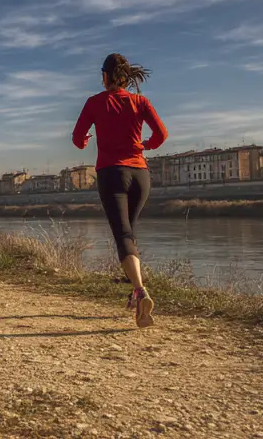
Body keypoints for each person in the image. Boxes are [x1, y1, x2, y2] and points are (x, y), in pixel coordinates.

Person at [72, 53, 168, 328]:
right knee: (130, 233)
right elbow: (161, 134)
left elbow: (78, 139)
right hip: (141, 175)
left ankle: (140, 291)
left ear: (104, 76)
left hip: (112, 174)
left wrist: (87, 141)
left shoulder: (94, 103)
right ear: (126, 78)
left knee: (123, 235)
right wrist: (145, 146)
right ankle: (137, 299)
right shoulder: (140, 102)